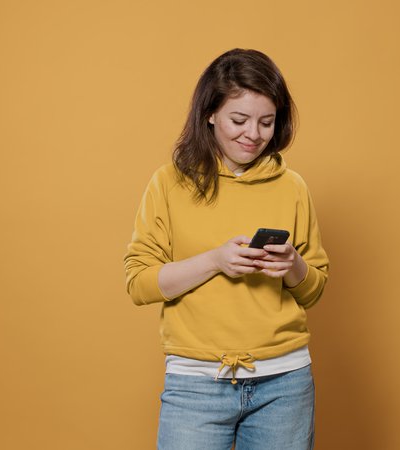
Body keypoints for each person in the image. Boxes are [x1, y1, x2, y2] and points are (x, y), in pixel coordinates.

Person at [124, 48, 329, 450]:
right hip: (195, 385)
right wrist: (215, 261)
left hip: (284, 384)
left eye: (266, 122)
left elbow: (313, 290)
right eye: (239, 120)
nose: (253, 134)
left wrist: (293, 265)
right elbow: (139, 283)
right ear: (210, 113)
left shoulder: (292, 187)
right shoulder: (168, 184)